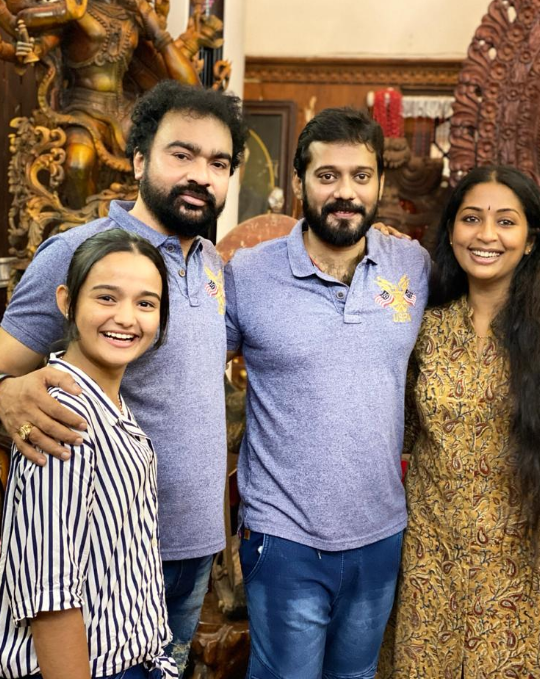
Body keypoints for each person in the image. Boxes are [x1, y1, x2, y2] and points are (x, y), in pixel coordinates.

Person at [0, 80, 248, 675]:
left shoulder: (212, 265)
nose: (201, 176)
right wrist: (6, 392)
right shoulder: (80, 252)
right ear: (139, 160)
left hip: (194, 548)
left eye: (218, 163)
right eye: (181, 154)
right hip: (99, 560)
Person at [224, 107, 431, 679]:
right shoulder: (248, 273)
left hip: (380, 535)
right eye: (327, 175)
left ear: (380, 182)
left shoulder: (412, 265)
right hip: (284, 537)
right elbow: (190, 367)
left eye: (361, 176)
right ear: (300, 182)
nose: (345, 192)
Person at [378, 165, 540, 678]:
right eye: (471, 219)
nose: (486, 235)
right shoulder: (423, 329)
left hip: (519, 566)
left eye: (506, 221)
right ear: (451, 232)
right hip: (430, 557)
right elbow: (394, 429)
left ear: (530, 241)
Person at [0, 228, 177, 679]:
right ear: (67, 301)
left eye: (146, 303)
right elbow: (49, 593)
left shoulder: (108, 404)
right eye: (106, 298)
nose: (126, 318)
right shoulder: (63, 417)